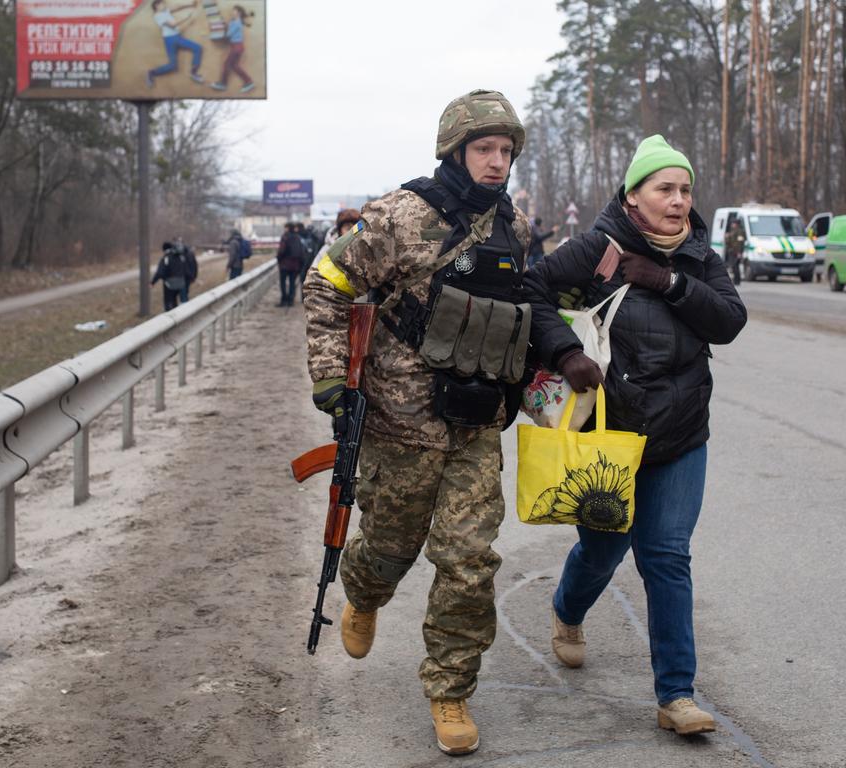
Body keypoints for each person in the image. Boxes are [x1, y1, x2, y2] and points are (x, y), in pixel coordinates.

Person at [302, 89, 532, 755]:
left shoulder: (510, 224)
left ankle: (450, 690)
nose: (496, 162)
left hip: (477, 423)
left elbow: (524, 307)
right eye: (484, 149)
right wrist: (328, 378)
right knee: (390, 548)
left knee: (468, 560)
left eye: (505, 151)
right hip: (402, 425)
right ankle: (364, 593)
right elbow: (326, 285)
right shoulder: (401, 215)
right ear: (455, 151)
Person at [523, 134, 747, 737]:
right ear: (634, 196)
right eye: (664, 189)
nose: (678, 201)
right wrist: (566, 351)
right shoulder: (598, 248)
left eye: (685, 189)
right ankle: (567, 611)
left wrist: (668, 282)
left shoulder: (700, 256)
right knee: (602, 550)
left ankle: (676, 695)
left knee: (667, 557)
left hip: (680, 439)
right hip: (608, 436)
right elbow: (532, 291)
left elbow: (729, 321)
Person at [146, 0, 205, 87]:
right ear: (157, 6)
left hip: (177, 37)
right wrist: (187, 17)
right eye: (162, 4)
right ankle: (151, 73)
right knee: (172, 66)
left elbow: (176, 7)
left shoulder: (165, 11)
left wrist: (189, 4)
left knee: (198, 48)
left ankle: (193, 73)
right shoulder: (157, 16)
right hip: (170, 40)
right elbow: (172, 25)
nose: (164, 5)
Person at [208, 4, 255, 93]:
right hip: (236, 46)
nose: (232, 12)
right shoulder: (234, 21)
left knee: (227, 64)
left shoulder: (237, 23)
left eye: (234, 11)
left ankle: (223, 84)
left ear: (239, 13)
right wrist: (222, 24)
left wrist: (216, 31)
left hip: (237, 47)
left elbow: (228, 35)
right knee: (234, 66)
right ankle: (249, 81)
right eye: (232, 10)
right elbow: (228, 29)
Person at [151, 241, 190, 311]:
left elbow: (160, 272)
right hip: (181, 283)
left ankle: (170, 315)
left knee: (169, 303)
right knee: (181, 301)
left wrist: (152, 282)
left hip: (169, 284)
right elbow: (186, 269)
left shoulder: (166, 258)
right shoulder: (180, 256)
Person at [724, 218, 745, 286]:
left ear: (736, 224)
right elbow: (729, 242)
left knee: (736, 266)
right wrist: (727, 237)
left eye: (733, 223)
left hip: (736, 252)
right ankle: (735, 280)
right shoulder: (732, 231)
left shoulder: (740, 232)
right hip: (732, 251)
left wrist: (739, 252)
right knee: (733, 266)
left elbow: (740, 242)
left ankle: (737, 280)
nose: (732, 224)